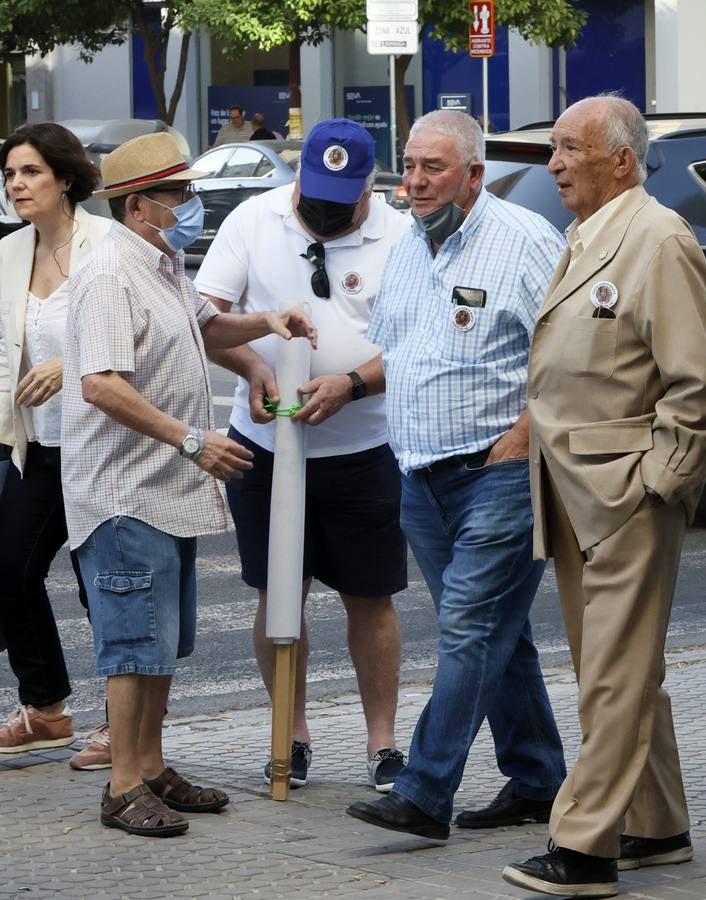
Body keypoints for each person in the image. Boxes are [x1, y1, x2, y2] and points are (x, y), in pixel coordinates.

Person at [60, 132, 316, 837]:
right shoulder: (111, 269)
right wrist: (191, 438)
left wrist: (266, 321)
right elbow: (101, 385)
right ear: (139, 205)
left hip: (164, 488)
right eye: (181, 194)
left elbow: (208, 326)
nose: (192, 204)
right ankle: (121, 787)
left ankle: (149, 766)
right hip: (123, 493)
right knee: (133, 643)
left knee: (162, 643)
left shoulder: (161, 260)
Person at [502, 96, 706, 897]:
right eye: (554, 150)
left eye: (568, 149)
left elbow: (695, 384)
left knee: (612, 676)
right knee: (619, 667)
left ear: (621, 160)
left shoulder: (656, 238)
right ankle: (656, 827)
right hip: (574, 492)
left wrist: (656, 485)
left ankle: (585, 848)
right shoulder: (589, 234)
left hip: (624, 493)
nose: (554, 163)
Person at [344, 109, 567, 841]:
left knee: (470, 631)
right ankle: (537, 779)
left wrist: (525, 436)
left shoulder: (526, 241)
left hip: (497, 472)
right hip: (421, 478)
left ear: (474, 173)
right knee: (499, 633)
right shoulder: (409, 246)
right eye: (408, 166)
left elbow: (569, 358)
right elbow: (403, 354)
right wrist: (346, 387)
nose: (413, 182)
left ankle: (424, 791)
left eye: (432, 168)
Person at [195, 118, 410, 791]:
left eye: (338, 205)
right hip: (266, 445)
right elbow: (203, 321)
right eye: (312, 201)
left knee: (370, 597)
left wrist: (352, 384)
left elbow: (417, 343)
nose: (321, 216)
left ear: (369, 186)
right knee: (277, 590)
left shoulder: (401, 237)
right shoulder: (255, 221)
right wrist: (256, 373)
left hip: (363, 446)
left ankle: (382, 745)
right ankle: (290, 734)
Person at [0, 123, 110, 758]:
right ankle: (45, 708)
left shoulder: (108, 246)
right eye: (11, 174)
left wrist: (71, 366)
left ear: (65, 179)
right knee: (9, 570)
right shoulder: (11, 252)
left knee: (105, 582)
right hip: (37, 445)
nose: (17, 184)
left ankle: (127, 724)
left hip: (104, 444)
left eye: (31, 171)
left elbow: (147, 332)